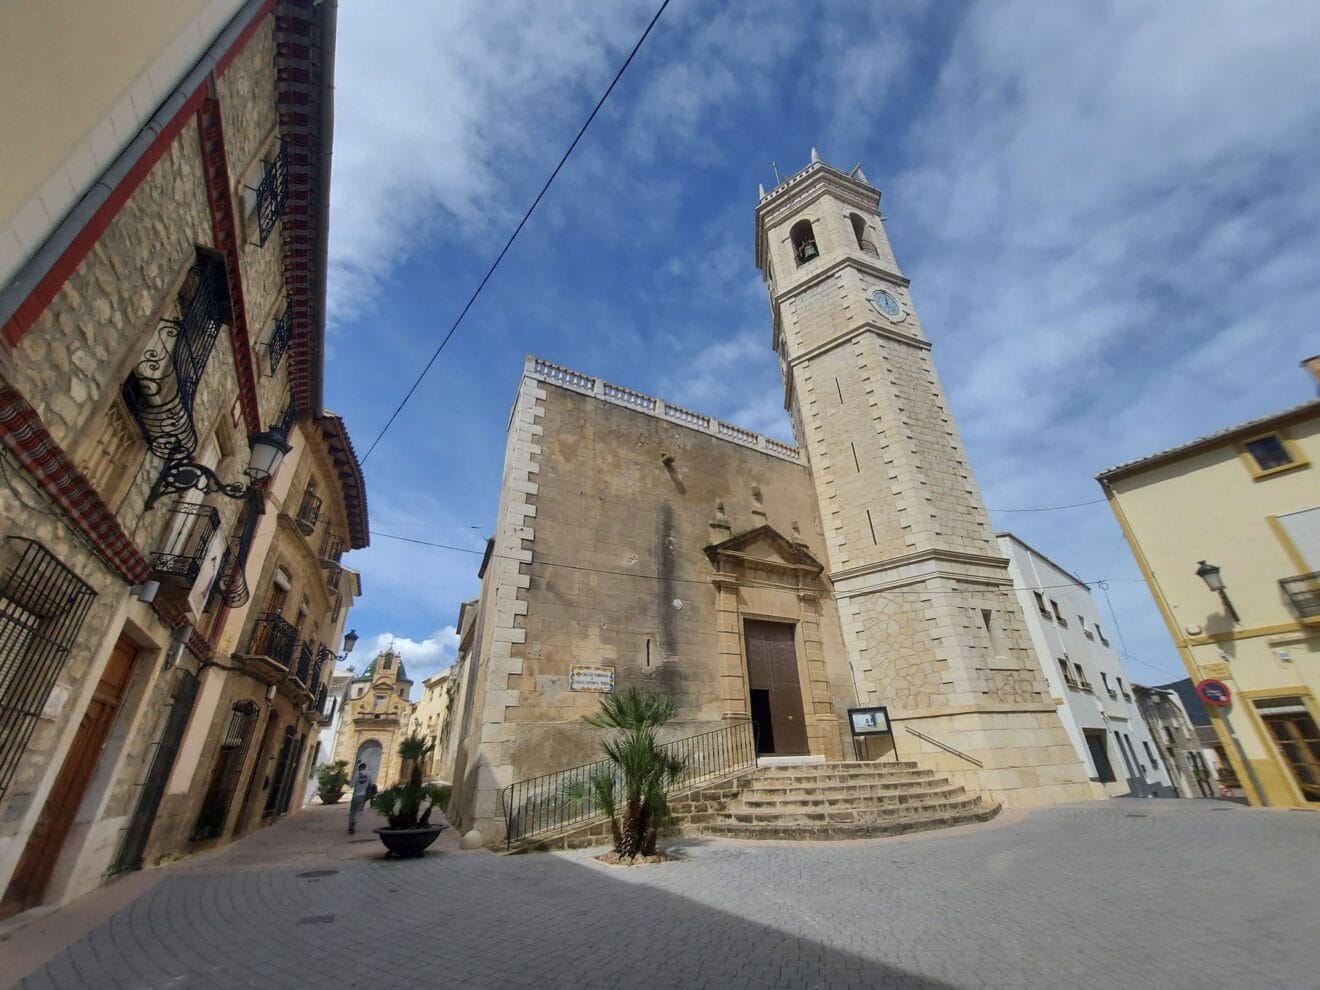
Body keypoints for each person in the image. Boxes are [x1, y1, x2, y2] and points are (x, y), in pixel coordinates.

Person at [348, 761, 371, 834]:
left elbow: (351, 786)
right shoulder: (369, 775)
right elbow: (372, 784)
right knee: (359, 812)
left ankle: (350, 825)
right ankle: (354, 823)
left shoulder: (356, 775)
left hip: (355, 796)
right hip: (363, 796)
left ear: (359, 768)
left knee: (352, 812)